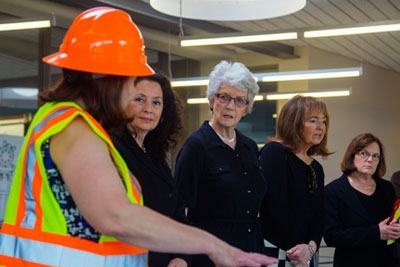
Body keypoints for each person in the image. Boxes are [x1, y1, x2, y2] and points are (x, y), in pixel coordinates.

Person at [0, 7, 278, 267]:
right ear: (107, 76)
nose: (132, 94)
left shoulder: (59, 120)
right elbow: (117, 217)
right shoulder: (73, 128)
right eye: (132, 81)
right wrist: (215, 246)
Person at [175, 61, 267, 267]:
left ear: (247, 108)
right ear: (211, 99)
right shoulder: (196, 147)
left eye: (240, 100)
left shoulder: (250, 147)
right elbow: (180, 209)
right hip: (212, 255)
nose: (230, 106)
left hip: (251, 251)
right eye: (224, 97)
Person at [109, 73, 189, 267]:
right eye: (139, 99)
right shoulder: (111, 148)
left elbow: (175, 211)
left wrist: (181, 257)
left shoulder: (156, 155)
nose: (148, 109)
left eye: (156, 103)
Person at [259, 95, 330, 267]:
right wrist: (297, 252)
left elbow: (319, 216)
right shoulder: (275, 152)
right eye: (313, 121)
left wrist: (310, 248)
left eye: (324, 121)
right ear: (294, 122)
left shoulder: (316, 168)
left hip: (305, 256)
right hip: (276, 251)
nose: (321, 127)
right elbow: (276, 205)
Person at [324, 133, 400, 267]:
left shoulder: (387, 187)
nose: (370, 159)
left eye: (375, 156)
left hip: (387, 261)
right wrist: (376, 233)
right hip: (352, 262)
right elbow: (332, 236)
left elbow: (394, 222)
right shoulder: (333, 190)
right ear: (352, 155)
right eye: (364, 153)